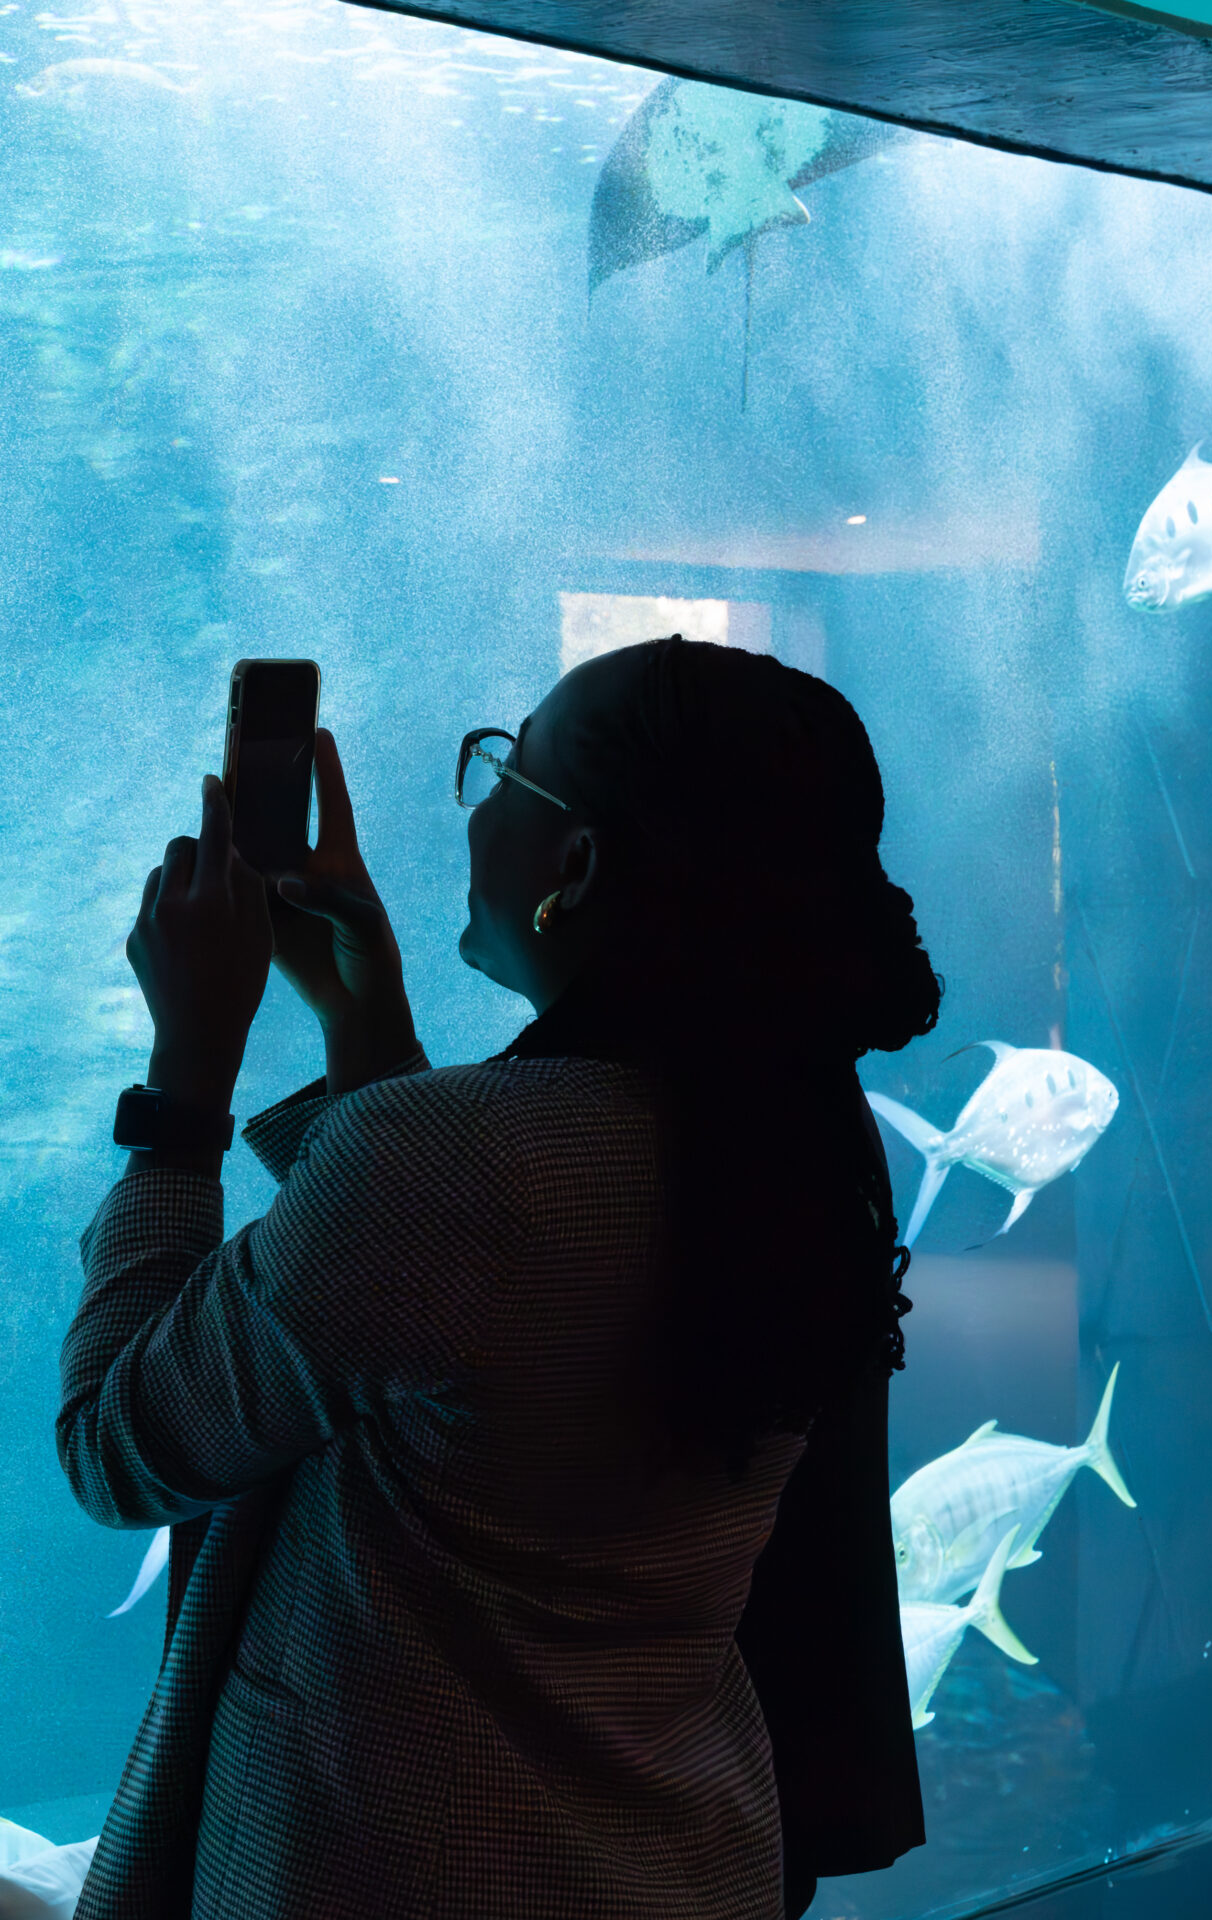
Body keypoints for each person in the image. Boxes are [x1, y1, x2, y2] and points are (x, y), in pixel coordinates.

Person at [57, 635, 937, 1920]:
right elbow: (476, 1330)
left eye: (503, 774)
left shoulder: (463, 1170)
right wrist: (362, 1027)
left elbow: (121, 1447)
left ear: (573, 864)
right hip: (674, 1856)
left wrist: (185, 1079)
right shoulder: (803, 1138)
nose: (476, 813)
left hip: (394, 1866)